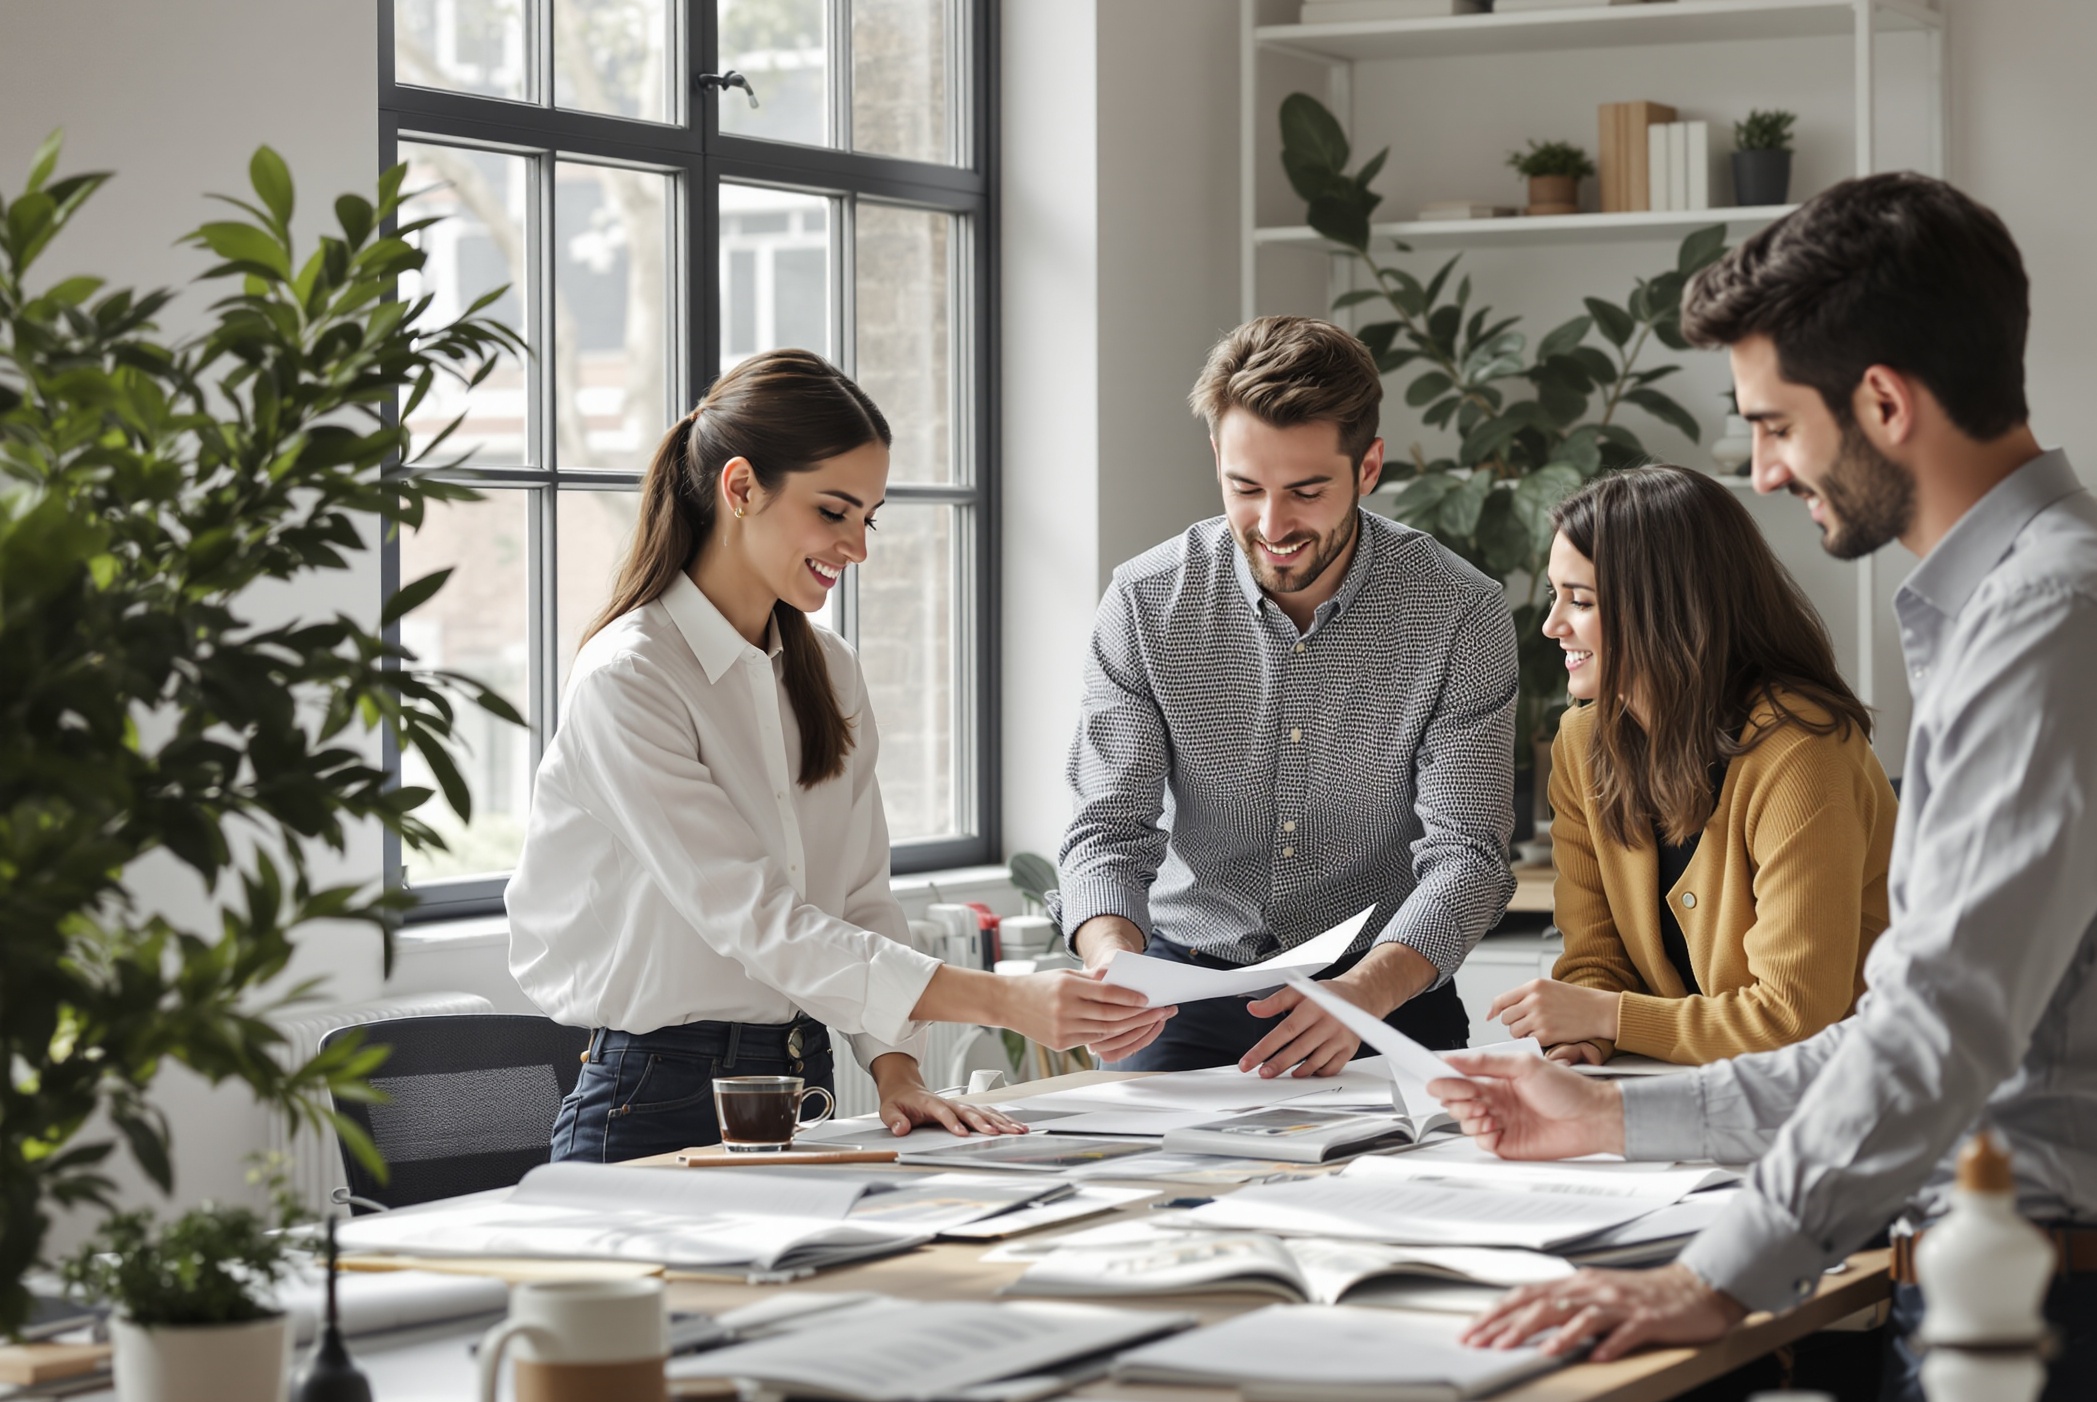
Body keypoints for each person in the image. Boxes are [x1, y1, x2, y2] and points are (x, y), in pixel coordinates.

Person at [1428, 173, 2097, 1402]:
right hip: (2054, 1298)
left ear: (1885, 403)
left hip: (2080, 1324)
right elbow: (1892, 1025)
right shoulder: (2031, 610)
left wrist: (1712, 1280)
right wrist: (1614, 1114)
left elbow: (1942, 1031)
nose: (1765, 469)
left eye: (1776, 424)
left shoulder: (2056, 626)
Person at [510, 350, 1173, 1164]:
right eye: (834, 512)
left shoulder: (828, 669)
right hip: (653, 1102)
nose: (857, 546)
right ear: (741, 488)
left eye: (870, 516)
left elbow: (856, 900)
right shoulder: (631, 677)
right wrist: (1007, 1001)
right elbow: (761, 921)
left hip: (798, 1087)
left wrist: (897, 1073)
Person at [1059, 315, 1518, 1076]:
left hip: (1385, 991)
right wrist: (1112, 962)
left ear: (1368, 467)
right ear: (1216, 457)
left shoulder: (1458, 613)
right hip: (1181, 998)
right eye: (1245, 488)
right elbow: (1108, 828)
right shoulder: (1144, 602)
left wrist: (1364, 993)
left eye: (1307, 491)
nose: (1273, 526)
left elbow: (1468, 855)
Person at [1494, 464, 1895, 1068]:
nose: (1552, 625)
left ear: (1664, 608)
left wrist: (1606, 1016)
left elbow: (1794, 1014)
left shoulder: (1801, 753)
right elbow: (1595, 959)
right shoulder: (1581, 742)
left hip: (1854, 1094)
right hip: (1702, 1092)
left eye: (1580, 600)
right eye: (1556, 596)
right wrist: (1584, 1039)